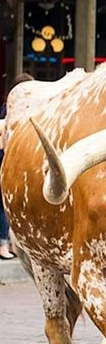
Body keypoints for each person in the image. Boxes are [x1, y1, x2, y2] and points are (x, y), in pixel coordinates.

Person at [0, 72, 34, 260]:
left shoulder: (31, 110)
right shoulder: (9, 109)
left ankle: (12, 243)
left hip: (18, 164)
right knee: (4, 206)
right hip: (6, 163)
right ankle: (4, 245)